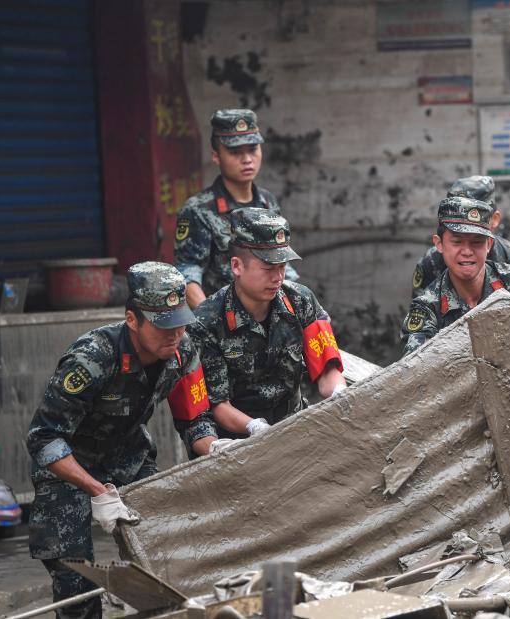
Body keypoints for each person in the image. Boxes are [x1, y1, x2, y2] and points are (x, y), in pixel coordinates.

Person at [26, 263, 218, 619]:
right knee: (76, 577)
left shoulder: (183, 351)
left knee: (165, 556)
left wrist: (216, 447)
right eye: (163, 324)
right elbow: (44, 439)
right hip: (69, 467)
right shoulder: (93, 358)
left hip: (128, 456)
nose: (174, 334)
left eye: (179, 322)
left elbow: (195, 419)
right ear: (132, 320)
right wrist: (97, 490)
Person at [189, 208, 346, 443]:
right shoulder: (206, 321)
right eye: (268, 268)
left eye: (282, 267)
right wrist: (254, 428)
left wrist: (339, 395)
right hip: (236, 444)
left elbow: (326, 369)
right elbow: (218, 405)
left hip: (295, 427)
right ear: (237, 266)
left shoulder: (301, 301)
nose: (278, 277)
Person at [401, 196, 510, 357]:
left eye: (476, 242)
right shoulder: (428, 305)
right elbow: (416, 369)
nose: (467, 252)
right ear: (439, 244)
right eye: (457, 242)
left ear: (489, 244)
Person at [174, 108, 299, 308]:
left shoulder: (268, 203)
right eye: (235, 152)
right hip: (223, 320)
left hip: (267, 316)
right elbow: (188, 272)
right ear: (216, 156)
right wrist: (210, 320)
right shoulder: (198, 209)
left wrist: (300, 307)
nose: (247, 159)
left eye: (252, 149)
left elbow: (283, 264)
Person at [411, 175, 510, 298]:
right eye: (457, 215)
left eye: (476, 214)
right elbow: (421, 311)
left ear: (494, 219)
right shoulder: (432, 262)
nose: (467, 251)